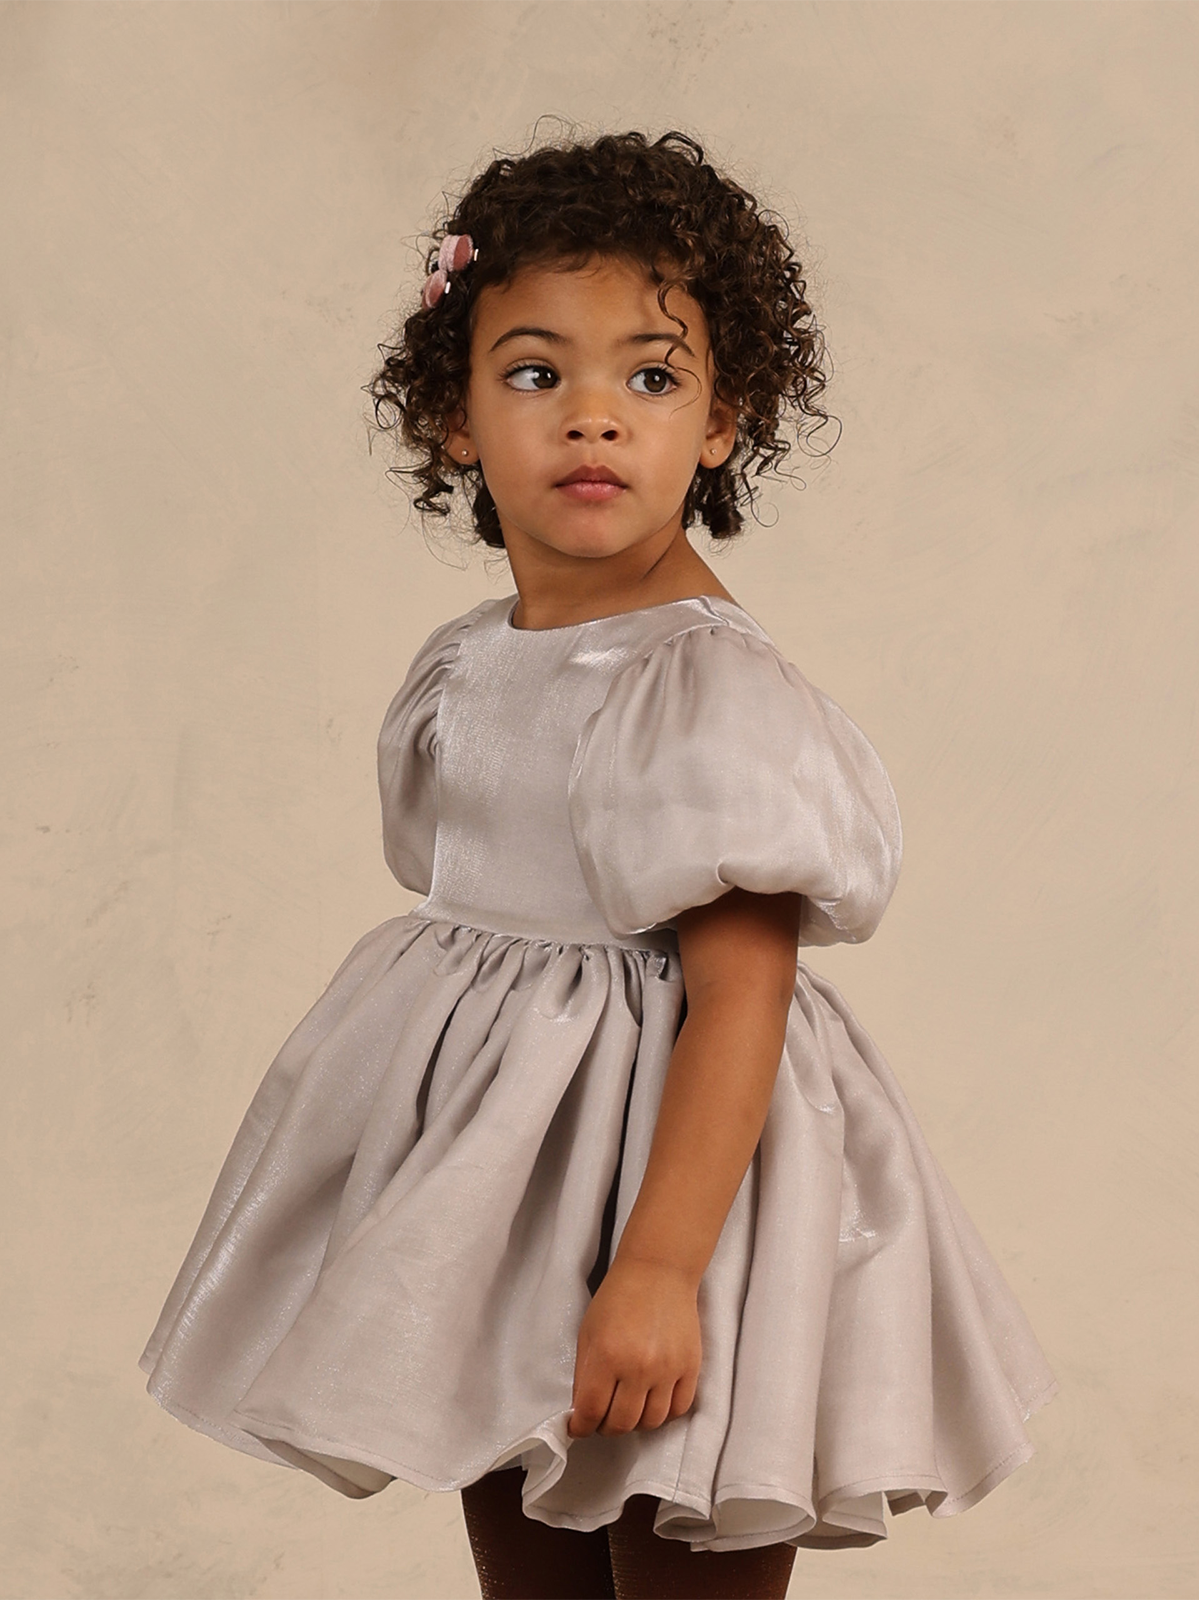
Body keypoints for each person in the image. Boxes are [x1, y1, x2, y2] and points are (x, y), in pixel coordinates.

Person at [138, 129, 1059, 1600]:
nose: (590, 421)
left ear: (717, 421)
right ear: (453, 417)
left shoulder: (702, 687)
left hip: (679, 1197)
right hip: (504, 1188)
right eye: (532, 373)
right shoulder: (467, 666)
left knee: (670, 1531)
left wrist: (654, 1271)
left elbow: (740, 1001)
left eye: (648, 376)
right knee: (532, 1545)